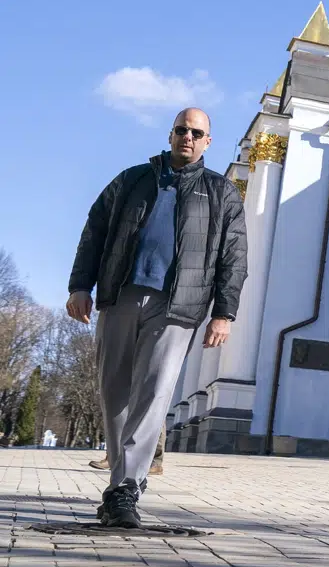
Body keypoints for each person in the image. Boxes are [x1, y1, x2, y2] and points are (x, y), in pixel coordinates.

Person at [65, 108, 247, 529]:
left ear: (207, 141)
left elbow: (234, 257)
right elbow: (94, 231)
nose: (188, 136)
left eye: (196, 132)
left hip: (178, 306)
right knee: (114, 392)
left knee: (154, 393)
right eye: (181, 129)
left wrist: (224, 311)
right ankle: (119, 485)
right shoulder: (132, 180)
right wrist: (80, 285)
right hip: (119, 296)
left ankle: (126, 487)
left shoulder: (222, 193)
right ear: (170, 134)